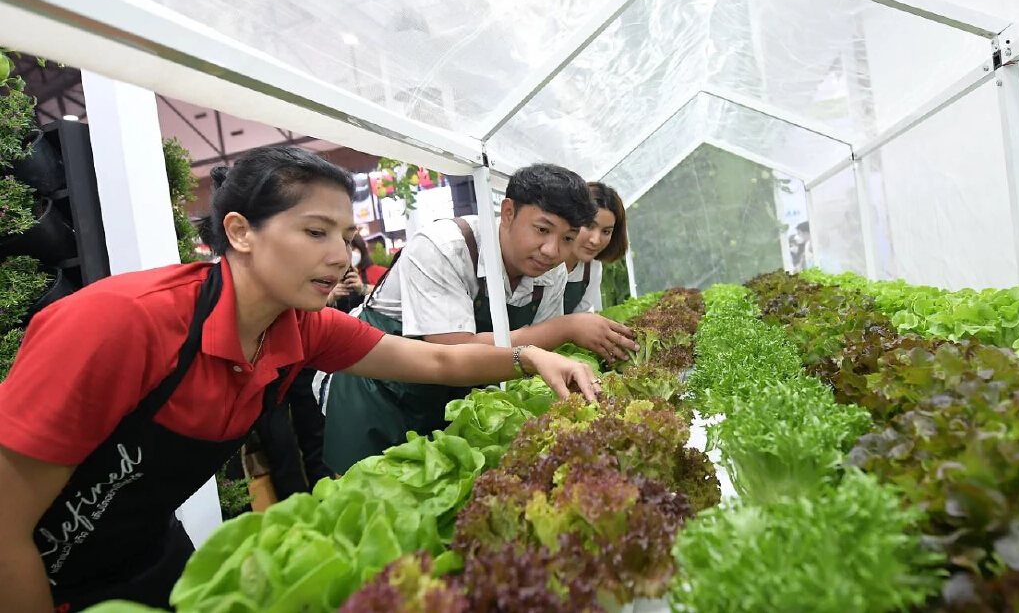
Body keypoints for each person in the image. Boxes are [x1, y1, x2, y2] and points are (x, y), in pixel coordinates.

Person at [0, 146, 597, 613]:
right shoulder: (120, 324)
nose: (340, 257)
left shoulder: (301, 328)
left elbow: (436, 361)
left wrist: (532, 358)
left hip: (142, 551)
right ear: (239, 232)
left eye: (346, 237)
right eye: (316, 233)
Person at [325, 164, 639, 473]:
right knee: (367, 492)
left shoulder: (552, 271)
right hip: (379, 387)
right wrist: (565, 328)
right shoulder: (445, 246)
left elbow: (535, 346)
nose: (552, 250)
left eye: (568, 239)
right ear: (508, 213)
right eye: (542, 230)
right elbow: (453, 351)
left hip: (450, 390)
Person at [562, 182, 628, 314]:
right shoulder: (543, 262)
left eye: (606, 232)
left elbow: (581, 317)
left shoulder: (592, 269)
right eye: (589, 225)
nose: (595, 240)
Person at [325, 233, 388, 313]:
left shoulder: (379, 272)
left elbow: (392, 298)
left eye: (354, 248)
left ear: (361, 249)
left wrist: (362, 288)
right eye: (344, 248)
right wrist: (330, 297)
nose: (350, 253)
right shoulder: (326, 277)